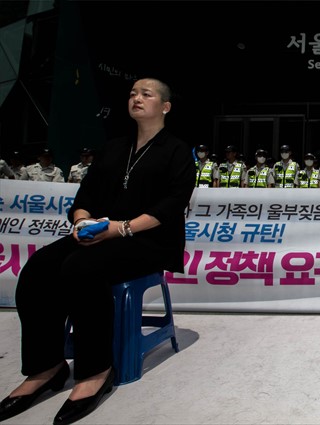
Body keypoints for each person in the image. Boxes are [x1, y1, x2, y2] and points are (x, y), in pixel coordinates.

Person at [0, 78, 196, 425]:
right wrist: (81, 221)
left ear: (165, 107)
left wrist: (122, 228)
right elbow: (85, 196)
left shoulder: (177, 151)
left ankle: (95, 371)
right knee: (39, 267)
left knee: (81, 268)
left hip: (148, 241)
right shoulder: (114, 147)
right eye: (133, 93)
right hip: (101, 234)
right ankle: (46, 367)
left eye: (146, 94)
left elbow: (171, 205)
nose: (136, 98)